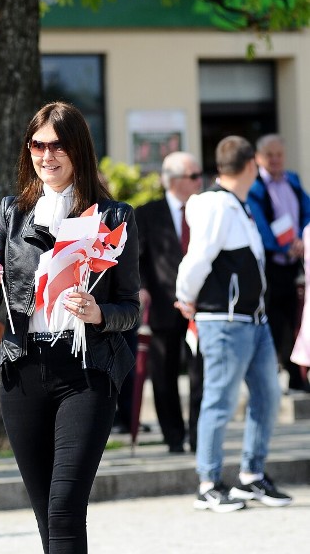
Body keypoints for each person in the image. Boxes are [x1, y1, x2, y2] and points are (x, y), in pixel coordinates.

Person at [0, 102, 139, 553]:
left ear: (78, 150)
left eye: (58, 145)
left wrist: (99, 314)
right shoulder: (11, 213)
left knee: (65, 506)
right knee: (47, 514)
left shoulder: (114, 217)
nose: (47, 155)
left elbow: (130, 307)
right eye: (38, 145)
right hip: (22, 370)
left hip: (86, 371)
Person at [175, 135, 292, 513]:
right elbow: (198, 257)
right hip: (224, 320)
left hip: (252, 320)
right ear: (251, 167)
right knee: (220, 401)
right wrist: (186, 295)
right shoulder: (217, 206)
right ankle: (208, 482)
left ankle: (250, 476)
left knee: (268, 396)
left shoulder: (235, 205)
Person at [135, 151, 205, 453]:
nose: (199, 181)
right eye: (193, 176)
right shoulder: (147, 213)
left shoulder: (205, 209)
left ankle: (198, 436)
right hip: (164, 304)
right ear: (175, 180)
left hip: (202, 306)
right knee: (163, 374)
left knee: (201, 374)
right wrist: (141, 288)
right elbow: (134, 258)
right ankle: (173, 437)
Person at [246, 134, 310, 393]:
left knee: (296, 319)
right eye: (269, 155)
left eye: (278, 154)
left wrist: (302, 239)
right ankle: (271, 378)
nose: (275, 160)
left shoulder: (292, 180)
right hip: (270, 264)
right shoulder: (255, 185)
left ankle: (297, 376)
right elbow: (260, 225)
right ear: (259, 158)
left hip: (295, 261)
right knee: (272, 320)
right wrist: (286, 245)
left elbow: (307, 211)